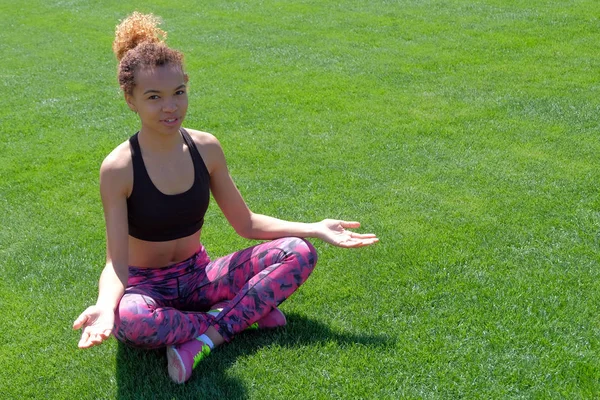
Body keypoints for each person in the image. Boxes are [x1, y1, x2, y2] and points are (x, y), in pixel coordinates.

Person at [72, 11, 378, 384]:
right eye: (154, 97)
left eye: (178, 93)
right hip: (145, 287)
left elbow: (245, 223)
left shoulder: (206, 148)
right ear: (130, 99)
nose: (170, 107)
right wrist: (106, 308)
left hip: (199, 276)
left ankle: (204, 337)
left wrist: (315, 227)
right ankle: (238, 317)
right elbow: (117, 265)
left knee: (298, 252)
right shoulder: (118, 168)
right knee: (132, 322)